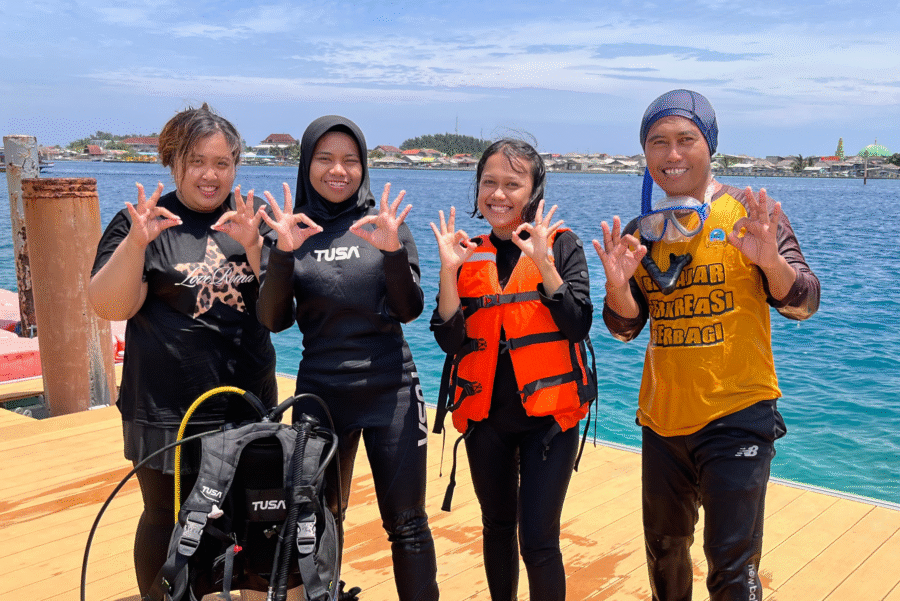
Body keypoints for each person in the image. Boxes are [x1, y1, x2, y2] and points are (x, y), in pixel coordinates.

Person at [594, 89, 820, 601]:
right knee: (665, 554)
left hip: (738, 411)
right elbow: (624, 329)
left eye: (685, 140)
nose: (672, 155)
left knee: (731, 568)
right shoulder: (642, 230)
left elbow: (804, 304)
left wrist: (770, 262)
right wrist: (616, 287)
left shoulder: (750, 213)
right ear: (646, 154)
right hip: (663, 418)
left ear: (709, 145)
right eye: (658, 143)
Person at [89, 104, 278, 599]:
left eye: (222, 162)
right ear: (172, 163)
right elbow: (110, 304)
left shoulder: (252, 219)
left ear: (236, 164)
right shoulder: (145, 221)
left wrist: (259, 249)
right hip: (165, 405)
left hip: (246, 402)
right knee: (164, 518)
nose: (210, 175)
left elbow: (283, 311)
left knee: (245, 518)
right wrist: (136, 243)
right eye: (197, 161)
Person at [256, 115, 440, 601]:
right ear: (307, 164)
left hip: (392, 391)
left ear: (363, 167)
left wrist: (393, 251)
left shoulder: (384, 224)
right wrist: (282, 255)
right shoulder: (290, 229)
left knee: (408, 524)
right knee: (318, 522)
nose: (338, 170)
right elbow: (274, 320)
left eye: (350, 160)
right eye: (325, 159)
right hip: (321, 395)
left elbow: (410, 309)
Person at [430, 139, 595, 601]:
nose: (499, 195)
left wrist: (542, 260)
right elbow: (449, 338)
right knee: (497, 528)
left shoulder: (562, 246)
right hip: (487, 422)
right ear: (477, 189)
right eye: (489, 183)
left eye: (512, 184)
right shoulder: (466, 253)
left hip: (548, 422)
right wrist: (447, 272)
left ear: (533, 190)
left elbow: (577, 323)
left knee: (539, 541)